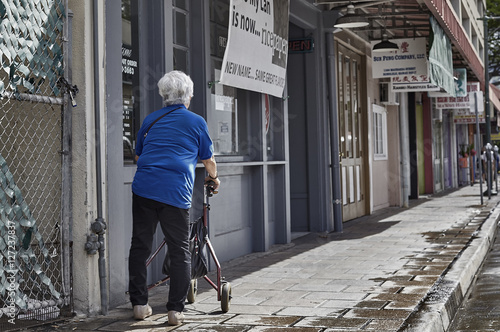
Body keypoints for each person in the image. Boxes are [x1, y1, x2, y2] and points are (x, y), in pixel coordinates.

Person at [128, 70, 220, 325]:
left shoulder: (150, 120)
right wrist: (214, 177)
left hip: (144, 188)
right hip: (175, 191)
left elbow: (138, 155)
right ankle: (174, 311)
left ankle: (139, 305)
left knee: (140, 246)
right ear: (187, 95)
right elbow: (208, 160)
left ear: (163, 95)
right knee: (179, 249)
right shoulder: (196, 121)